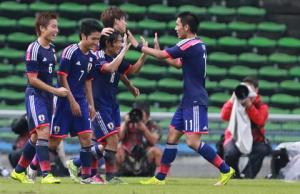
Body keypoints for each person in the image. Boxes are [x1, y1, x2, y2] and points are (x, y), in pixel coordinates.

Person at [129, 12, 235, 185]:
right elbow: (178, 63)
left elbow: (163, 55)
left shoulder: (188, 43)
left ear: (186, 27)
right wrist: (160, 52)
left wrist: (137, 46)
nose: (175, 28)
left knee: (193, 142)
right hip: (188, 99)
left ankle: (225, 169)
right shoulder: (198, 44)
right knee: (172, 135)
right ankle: (160, 177)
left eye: (177, 24)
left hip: (195, 100)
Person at [10, 12, 68, 184]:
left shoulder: (51, 49)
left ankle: (19, 171)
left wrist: (54, 93)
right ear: (42, 28)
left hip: (48, 97)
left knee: (36, 137)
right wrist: (56, 91)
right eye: (53, 26)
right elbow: (33, 79)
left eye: (57, 26)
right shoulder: (33, 48)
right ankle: (46, 174)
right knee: (43, 132)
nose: (56, 30)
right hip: (35, 95)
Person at [48, 19, 102, 184]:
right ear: (83, 36)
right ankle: (33, 166)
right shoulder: (70, 52)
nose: (96, 42)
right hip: (64, 100)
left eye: (98, 39)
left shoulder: (92, 57)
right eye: (93, 38)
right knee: (54, 141)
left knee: (86, 137)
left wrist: (91, 104)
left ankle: (86, 176)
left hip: (81, 101)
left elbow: (88, 81)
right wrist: (72, 101)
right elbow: (62, 77)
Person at [221, 76, 271, 179]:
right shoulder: (235, 103)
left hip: (255, 140)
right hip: (235, 139)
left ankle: (247, 176)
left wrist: (249, 106)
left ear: (256, 90)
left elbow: (260, 121)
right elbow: (224, 116)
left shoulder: (261, 106)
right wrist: (232, 100)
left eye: (250, 88)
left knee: (261, 150)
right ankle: (234, 176)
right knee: (230, 153)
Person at [116, 102, 162, 176]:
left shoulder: (153, 125)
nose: (138, 117)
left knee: (157, 151)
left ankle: (161, 177)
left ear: (147, 116)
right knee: (117, 149)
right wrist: (125, 122)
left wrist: (144, 129)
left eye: (141, 115)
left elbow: (154, 141)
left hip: (145, 158)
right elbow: (118, 138)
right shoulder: (127, 124)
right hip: (127, 158)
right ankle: (115, 176)